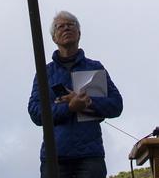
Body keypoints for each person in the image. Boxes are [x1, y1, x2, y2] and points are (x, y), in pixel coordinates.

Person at [27, 10, 124, 178]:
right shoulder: (45, 72)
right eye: (60, 27)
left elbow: (116, 105)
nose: (66, 28)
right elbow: (35, 113)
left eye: (71, 25)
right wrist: (69, 108)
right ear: (54, 38)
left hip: (90, 157)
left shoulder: (95, 67)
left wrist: (88, 102)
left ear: (79, 33)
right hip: (54, 157)